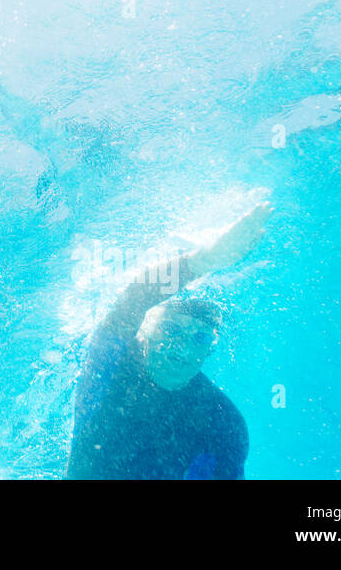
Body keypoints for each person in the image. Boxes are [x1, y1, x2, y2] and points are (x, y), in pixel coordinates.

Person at [67, 199, 273, 480]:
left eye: (200, 337)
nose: (183, 346)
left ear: (211, 348)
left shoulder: (222, 421)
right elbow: (134, 298)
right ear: (146, 326)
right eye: (172, 329)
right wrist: (204, 261)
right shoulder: (110, 366)